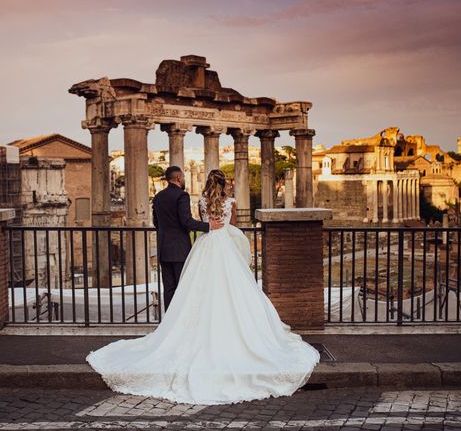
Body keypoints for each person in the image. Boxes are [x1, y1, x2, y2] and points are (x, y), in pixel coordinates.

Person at [86, 169, 320, 405]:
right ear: (224, 183)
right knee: (232, 291)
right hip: (223, 244)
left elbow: (168, 222)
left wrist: (206, 227)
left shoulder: (192, 200)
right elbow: (231, 226)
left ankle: (174, 325)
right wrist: (217, 229)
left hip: (200, 245)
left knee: (189, 291)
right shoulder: (229, 202)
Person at [151, 165, 223, 311]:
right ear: (178, 178)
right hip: (180, 250)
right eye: (183, 177)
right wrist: (209, 226)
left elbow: (156, 222)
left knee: (169, 288)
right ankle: (180, 322)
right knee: (183, 287)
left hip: (164, 249)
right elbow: (186, 221)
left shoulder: (158, 196)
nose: (183, 180)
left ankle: (169, 321)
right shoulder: (182, 195)